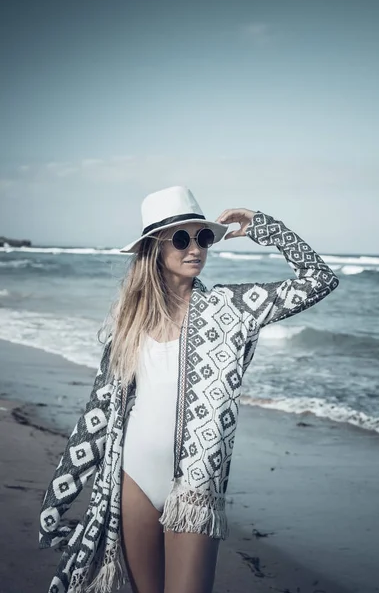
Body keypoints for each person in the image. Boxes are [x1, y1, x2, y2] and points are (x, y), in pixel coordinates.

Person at [39, 185, 339, 593]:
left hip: (195, 489)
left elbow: (319, 280)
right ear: (154, 249)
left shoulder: (232, 308)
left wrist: (266, 228)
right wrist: (61, 494)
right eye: (181, 238)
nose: (195, 248)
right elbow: (100, 412)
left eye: (203, 237)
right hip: (133, 478)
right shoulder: (128, 322)